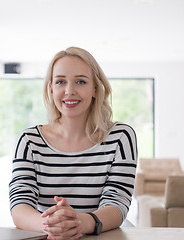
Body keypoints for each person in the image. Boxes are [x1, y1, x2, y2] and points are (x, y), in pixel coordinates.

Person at [9, 47, 137, 240]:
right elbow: (19, 205)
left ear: (95, 88)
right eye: (61, 81)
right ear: (51, 89)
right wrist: (51, 226)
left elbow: (117, 203)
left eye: (80, 81)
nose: (69, 91)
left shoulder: (120, 137)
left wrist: (78, 223)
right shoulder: (29, 141)